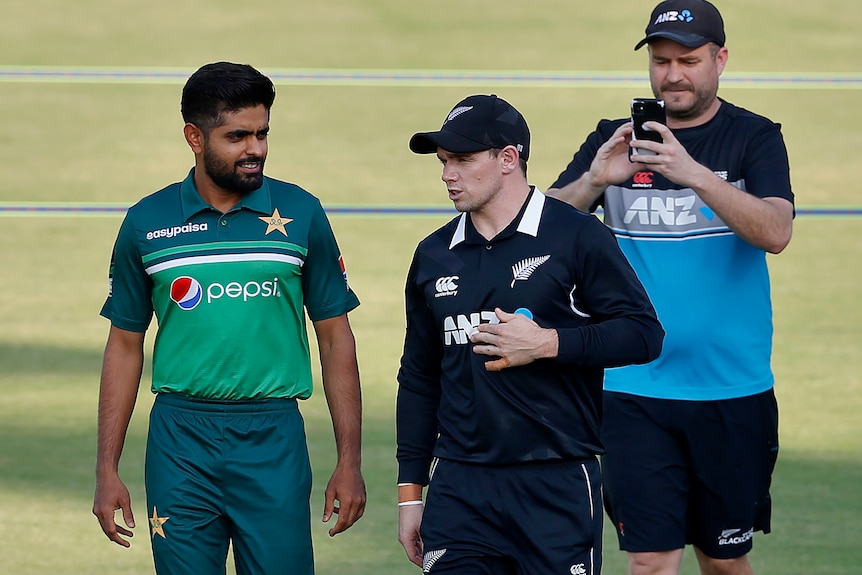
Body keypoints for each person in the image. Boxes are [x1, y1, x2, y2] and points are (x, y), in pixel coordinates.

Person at [547, 2, 794, 574]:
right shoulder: (613, 140)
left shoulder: (754, 138)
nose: (673, 75)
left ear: (720, 60)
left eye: (689, 60)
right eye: (661, 62)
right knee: (651, 561)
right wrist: (592, 182)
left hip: (732, 387)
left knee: (725, 561)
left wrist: (695, 175)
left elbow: (776, 232)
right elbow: (542, 232)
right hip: (632, 388)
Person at [92, 61, 366, 575]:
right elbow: (124, 346)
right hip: (179, 440)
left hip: (273, 437)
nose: (255, 148)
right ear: (194, 137)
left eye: (262, 133)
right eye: (237, 136)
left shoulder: (301, 212)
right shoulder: (146, 223)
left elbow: (335, 338)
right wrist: (106, 469)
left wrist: (349, 461)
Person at [395, 94, 664, 574]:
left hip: (556, 482)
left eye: (461, 160)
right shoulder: (433, 255)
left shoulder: (578, 236)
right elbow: (418, 377)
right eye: (443, 162)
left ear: (507, 159)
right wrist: (410, 495)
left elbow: (644, 334)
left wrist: (549, 343)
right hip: (460, 487)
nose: (447, 175)